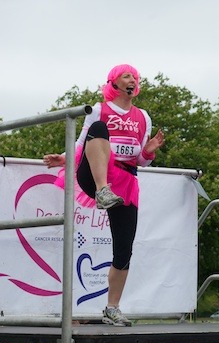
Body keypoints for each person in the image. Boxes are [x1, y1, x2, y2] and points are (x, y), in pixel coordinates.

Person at [43, 64, 165, 327]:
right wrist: (63, 159)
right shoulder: (100, 109)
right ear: (114, 82)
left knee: (124, 251)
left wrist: (150, 151)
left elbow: (141, 160)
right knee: (98, 128)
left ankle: (112, 308)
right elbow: (81, 144)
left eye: (135, 76)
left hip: (125, 182)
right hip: (96, 176)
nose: (132, 80)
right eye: (126, 75)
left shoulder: (143, 116)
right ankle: (101, 191)